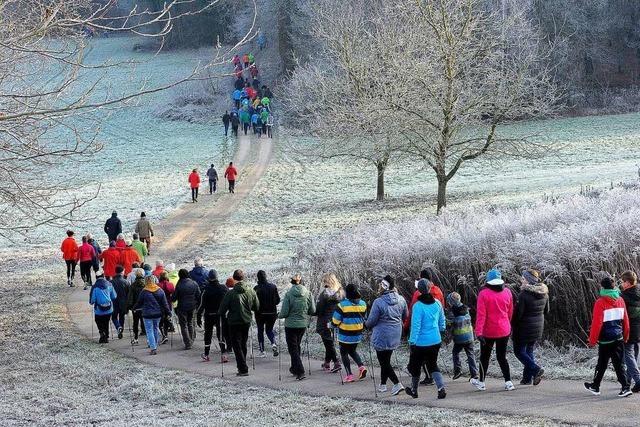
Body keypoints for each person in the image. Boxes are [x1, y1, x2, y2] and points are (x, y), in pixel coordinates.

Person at [585, 276, 632, 397]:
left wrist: (592, 340)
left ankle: (624, 387)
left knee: (603, 363)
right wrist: (626, 336)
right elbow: (625, 320)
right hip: (618, 337)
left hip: (605, 339)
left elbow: (597, 323)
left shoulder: (600, 302)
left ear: (602, 287)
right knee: (617, 363)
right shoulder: (620, 300)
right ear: (613, 286)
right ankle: (597, 386)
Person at [471, 268, 515, 392]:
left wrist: (478, 332)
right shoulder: (507, 292)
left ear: (488, 280)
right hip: (504, 329)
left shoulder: (484, 294)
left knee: (484, 357)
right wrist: (508, 324)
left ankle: (482, 382)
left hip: (488, 331)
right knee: (502, 357)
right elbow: (510, 311)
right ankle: (508, 382)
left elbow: (481, 315)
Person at [365, 275, 408, 395]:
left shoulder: (378, 302)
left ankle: (397, 383)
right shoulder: (401, 299)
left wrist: (365, 325)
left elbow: (371, 321)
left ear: (384, 287)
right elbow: (405, 316)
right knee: (386, 359)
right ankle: (383, 384)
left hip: (382, 334)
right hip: (395, 333)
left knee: (383, 361)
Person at [405, 279, 447, 400]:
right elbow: (442, 320)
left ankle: (414, 390)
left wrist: (412, 341)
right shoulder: (438, 303)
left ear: (419, 290)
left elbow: (416, 326)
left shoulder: (418, 306)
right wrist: (441, 330)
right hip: (435, 339)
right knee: (433, 365)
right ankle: (441, 389)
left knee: (416, 367)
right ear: (429, 288)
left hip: (421, 343)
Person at [218, 269, 259, 376]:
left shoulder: (230, 293)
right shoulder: (251, 291)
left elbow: (222, 309)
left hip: (234, 322)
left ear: (234, 278)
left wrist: (224, 314)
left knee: (237, 346)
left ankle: (243, 368)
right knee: (243, 344)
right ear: (243, 278)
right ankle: (242, 365)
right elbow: (256, 307)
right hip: (246, 321)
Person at [512, 269, 549, 386]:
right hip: (538, 327)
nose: (521, 280)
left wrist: (512, 324)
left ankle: (536, 369)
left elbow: (518, 315)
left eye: (523, 278)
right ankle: (527, 378)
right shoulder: (544, 293)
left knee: (519, 352)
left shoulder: (523, 295)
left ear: (528, 280)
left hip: (524, 328)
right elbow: (547, 310)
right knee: (529, 351)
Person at [279, 274, 315, 380]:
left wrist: (279, 315)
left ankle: (300, 371)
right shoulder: (308, 293)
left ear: (292, 282)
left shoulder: (289, 294)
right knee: (297, 346)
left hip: (290, 325)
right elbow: (312, 310)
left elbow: (284, 312)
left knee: (293, 348)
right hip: (303, 324)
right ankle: (294, 368)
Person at [332, 283, 368, 383]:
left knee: (344, 353)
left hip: (345, 335)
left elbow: (335, 321)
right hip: (357, 334)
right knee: (352, 351)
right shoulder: (363, 304)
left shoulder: (342, 305)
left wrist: (332, 324)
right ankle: (361, 367)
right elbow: (365, 318)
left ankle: (349, 375)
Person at [197, 269, 230, 362]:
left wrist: (198, 316)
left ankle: (206, 354)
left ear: (208, 278)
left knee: (208, 334)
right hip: (220, 315)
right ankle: (223, 354)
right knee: (220, 334)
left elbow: (201, 305)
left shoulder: (205, 289)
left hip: (208, 315)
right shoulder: (223, 288)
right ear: (217, 277)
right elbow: (228, 301)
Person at [446, 292, 478, 381]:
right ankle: (474, 373)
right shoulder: (466, 309)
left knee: (455, 353)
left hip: (459, 338)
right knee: (470, 354)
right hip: (469, 336)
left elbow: (449, 323)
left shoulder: (452, 312)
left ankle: (457, 370)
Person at [134, 275, 170, 355]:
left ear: (146, 281)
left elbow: (139, 302)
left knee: (149, 330)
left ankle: (153, 347)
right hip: (158, 313)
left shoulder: (144, 291)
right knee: (155, 328)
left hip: (147, 314)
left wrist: (134, 308)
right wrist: (168, 312)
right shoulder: (160, 290)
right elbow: (165, 304)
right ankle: (155, 345)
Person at [316, 273, 344, 373]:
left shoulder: (324, 294)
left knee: (328, 342)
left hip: (325, 320)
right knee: (329, 341)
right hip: (336, 320)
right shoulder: (340, 293)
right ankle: (327, 362)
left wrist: (313, 312)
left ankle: (336, 362)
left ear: (327, 282)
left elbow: (319, 309)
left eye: (324, 281)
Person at [620, 270, 640, 392]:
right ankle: (627, 380)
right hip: (638, 328)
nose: (621, 284)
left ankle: (638, 380)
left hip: (629, 328)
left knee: (627, 353)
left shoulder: (624, 296)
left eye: (622, 282)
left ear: (627, 282)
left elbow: (623, 314)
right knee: (635, 352)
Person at [254, 270, 280, 358]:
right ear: (266, 276)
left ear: (258, 278)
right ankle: (273, 344)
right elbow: (277, 301)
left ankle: (262, 351)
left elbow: (254, 303)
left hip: (260, 314)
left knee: (260, 331)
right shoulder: (273, 287)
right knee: (269, 330)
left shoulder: (256, 288)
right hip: (272, 313)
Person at [173, 269, 202, 350]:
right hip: (192, 306)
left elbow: (174, 298)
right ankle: (191, 340)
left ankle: (188, 343)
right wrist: (197, 305)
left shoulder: (179, 285)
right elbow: (199, 296)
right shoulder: (194, 283)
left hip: (182, 307)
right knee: (190, 323)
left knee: (183, 325)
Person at [89, 272, 117, 343]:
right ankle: (106, 335)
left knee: (98, 320)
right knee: (106, 321)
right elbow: (114, 296)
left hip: (99, 309)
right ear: (103, 276)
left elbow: (92, 300)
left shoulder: (94, 287)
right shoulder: (109, 284)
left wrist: (92, 302)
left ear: (96, 277)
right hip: (109, 308)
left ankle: (102, 333)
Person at [127, 270, 146, 344]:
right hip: (145, 306)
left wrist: (130, 307)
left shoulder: (133, 285)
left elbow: (130, 297)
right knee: (144, 320)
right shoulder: (145, 285)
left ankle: (136, 338)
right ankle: (146, 336)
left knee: (135, 322)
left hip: (136, 307)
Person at [111, 265, 129, 340]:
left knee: (114, 317)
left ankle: (118, 327)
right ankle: (121, 330)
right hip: (123, 302)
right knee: (122, 317)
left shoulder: (111, 282)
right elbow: (128, 293)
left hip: (114, 302)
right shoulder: (126, 282)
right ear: (122, 272)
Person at [157, 271, 175, 342]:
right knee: (166, 320)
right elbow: (173, 294)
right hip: (168, 304)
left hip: (160, 305)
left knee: (160, 321)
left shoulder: (157, 285)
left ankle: (164, 335)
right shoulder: (170, 284)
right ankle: (166, 334)